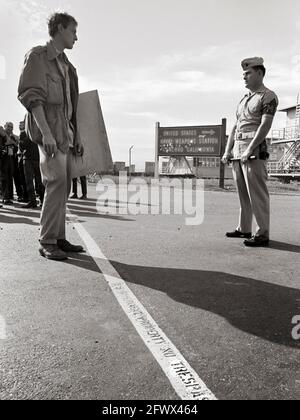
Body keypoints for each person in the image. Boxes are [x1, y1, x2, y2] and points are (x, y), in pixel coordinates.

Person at [18, 12, 85, 260]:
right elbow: (31, 95)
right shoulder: (38, 57)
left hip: (65, 132)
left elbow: (71, 105)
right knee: (55, 181)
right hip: (48, 132)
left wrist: (76, 135)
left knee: (64, 186)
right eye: (73, 31)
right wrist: (45, 132)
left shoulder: (68, 66)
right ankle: (47, 240)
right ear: (59, 29)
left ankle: (58, 236)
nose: (76, 37)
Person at [222, 57, 278, 247]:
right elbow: (235, 127)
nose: (244, 77)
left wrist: (250, 148)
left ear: (260, 73)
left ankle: (262, 233)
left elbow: (265, 125)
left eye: (248, 73)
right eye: (243, 74)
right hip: (238, 153)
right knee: (243, 194)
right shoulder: (244, 99)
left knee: (257, 194)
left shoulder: (268, 96)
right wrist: (227, 151)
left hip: (253, 152)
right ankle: (244, 228)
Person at [19, 120, 45, 208]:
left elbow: (22, 146)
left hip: (34, 159)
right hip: (32, 159)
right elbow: (22, 146)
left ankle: (38, 201)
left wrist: (23, 136)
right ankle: (35, 201)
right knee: (31, 181)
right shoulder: (37, 130)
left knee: (36, 181)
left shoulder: (28, 132)